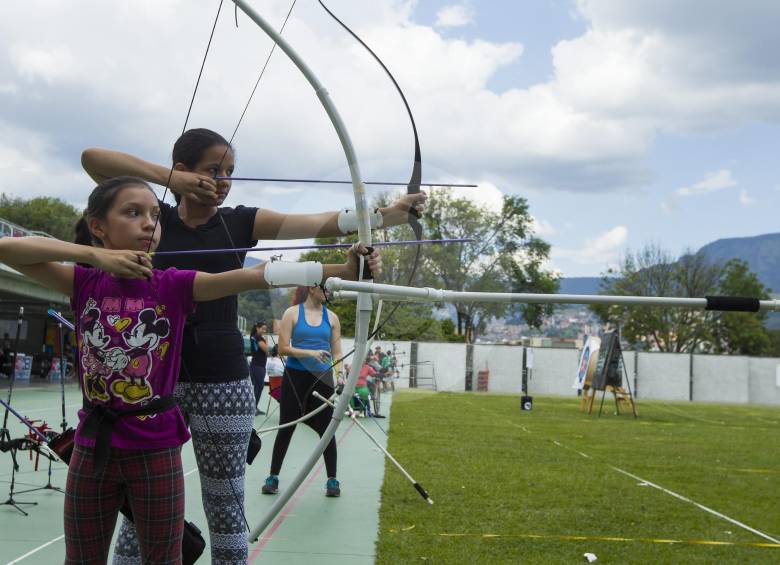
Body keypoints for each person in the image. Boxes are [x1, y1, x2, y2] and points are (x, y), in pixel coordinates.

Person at [0, 176, 371, 563]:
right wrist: (95, 256)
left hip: (154, 447)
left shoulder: (173, 285)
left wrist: (342, 267)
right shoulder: (83, 281)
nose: (149, 223)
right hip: (94, 446)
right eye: (133, 213)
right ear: (98, 226)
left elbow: (253, 276)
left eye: (155, 216)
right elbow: (7, 248)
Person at [81, 128, 399, 563]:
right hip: (154, 385)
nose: (224, 179)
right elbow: (94, 158)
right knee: (139, 512)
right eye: (213, 170)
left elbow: (316, 226)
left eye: (230, 171)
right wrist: (169, 181)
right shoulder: (152, 222)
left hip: (223, 378)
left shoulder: (240, 220)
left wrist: (376, 227)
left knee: (226, 508)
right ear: (183, 170)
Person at [262, 284, 343, 497]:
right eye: (327, 288)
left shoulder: (332, 318)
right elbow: (282, 349)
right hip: (295, 377)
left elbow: (337, 352)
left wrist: (342, 375)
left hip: (323, 379)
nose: (330, 292)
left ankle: (332, 480)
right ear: (313, 288)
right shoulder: (292, 313)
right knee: (286, 426)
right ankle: (273, 476)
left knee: (327, 429)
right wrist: (311, 353)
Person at [249, 321, 269, 415]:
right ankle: (253, 408)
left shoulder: (257, 337)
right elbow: (266, 349)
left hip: (258, 365)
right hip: (257, 366)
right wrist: (267, 340)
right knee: (259, 387)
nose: (264, 330)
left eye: (265, 329)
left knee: (258, 387)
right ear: (257, 328)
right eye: (263, 329)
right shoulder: (258, 337)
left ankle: (254, 407)